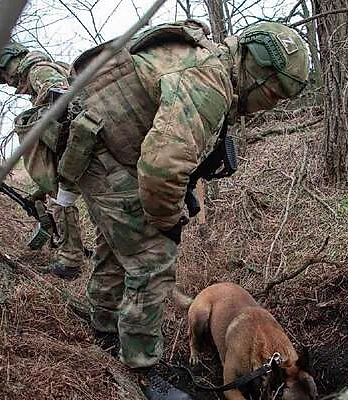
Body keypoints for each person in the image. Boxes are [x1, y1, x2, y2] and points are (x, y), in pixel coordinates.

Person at [58, 19, 310, 399]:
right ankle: (140, 374)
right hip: (103, 154)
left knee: (118, 243)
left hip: (103, 148)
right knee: (152, 258)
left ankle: (105, 329)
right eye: (273, 95)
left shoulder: (207, 67)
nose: (267, 107)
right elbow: (162, 168)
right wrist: (167, 219)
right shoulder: (210, 83)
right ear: (259, 72)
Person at [0, 43, 87, 279]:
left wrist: (63, 161)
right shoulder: (43, 70)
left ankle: (70, 262)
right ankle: (72, 256)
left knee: (60, 202)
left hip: (75, 150)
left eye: (4, 74)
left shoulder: (38, 70)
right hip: (76, 149)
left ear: (10, 61)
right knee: (58, 201)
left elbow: (67, 106)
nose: (8, 81)